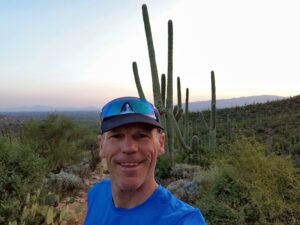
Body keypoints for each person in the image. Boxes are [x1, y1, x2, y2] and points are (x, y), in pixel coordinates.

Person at [84, 96, 206, 225]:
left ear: (161, 143)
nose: (129, 148)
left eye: (142, 136)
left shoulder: (184, 220)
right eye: (116, 136)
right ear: (102, 146)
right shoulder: (96, 194)